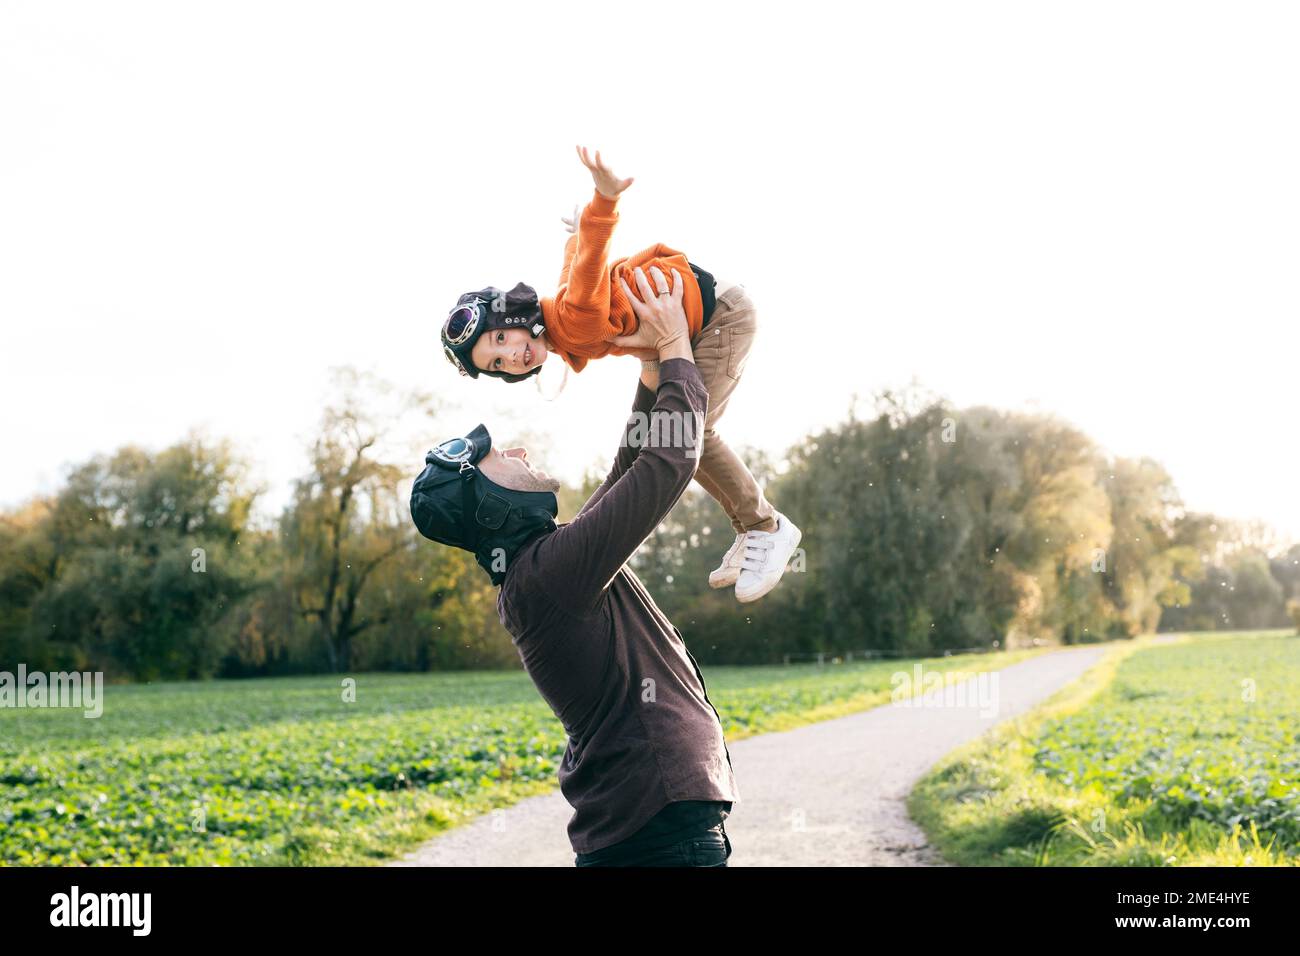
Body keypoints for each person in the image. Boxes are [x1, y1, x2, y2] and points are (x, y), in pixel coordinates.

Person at [412, 265, 738, 866]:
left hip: (651, 828)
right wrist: (672, 351)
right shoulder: (548, 576)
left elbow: (625, 473)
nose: (516, 451)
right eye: (496, 459)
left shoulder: (542, 568)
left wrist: (649, 375)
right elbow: (665, 468)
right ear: (488, 506)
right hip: (657, 834)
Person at [439, 145, 801, 604]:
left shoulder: (573, 318)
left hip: (718, 320)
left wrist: (603, 202)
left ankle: (765, 526)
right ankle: (749, 527)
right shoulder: (561, 313)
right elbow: (576, 264)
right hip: (694, 322)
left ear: (508, 317)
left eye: (499, 343)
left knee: (691, 432)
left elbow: (590, 263)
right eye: (497, 365)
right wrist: (575, 235)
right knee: (662, 437)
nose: (510, 358)